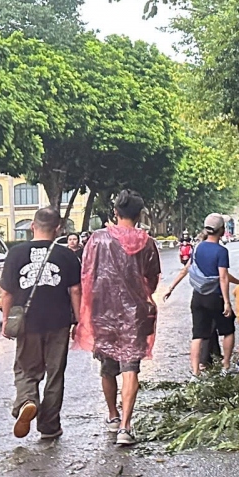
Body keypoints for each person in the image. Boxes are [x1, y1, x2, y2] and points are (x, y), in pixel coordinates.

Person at [75, 191, 161, 447]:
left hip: (103, 312)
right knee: (130, 368)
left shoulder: (96, 239)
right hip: (134, 314)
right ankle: (125, 426)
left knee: (107, 367)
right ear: (139, 214)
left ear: (115, 212)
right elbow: (152, 280)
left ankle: (112, 416)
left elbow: (86, 273)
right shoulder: (147, 243)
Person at [0, 207, 82, 441]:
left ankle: (27, 400)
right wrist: (79, 321)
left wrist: (6, 320)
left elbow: (7, 293)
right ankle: (49, 426)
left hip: (27, 322)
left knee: (26, 368)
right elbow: (75, 290)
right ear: (58, 230)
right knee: (55, 374)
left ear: (32, 226)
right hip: (58, 322)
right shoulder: (67, 255)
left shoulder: (16, 253)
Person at [164, 214, 239, 378]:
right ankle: (226, 366)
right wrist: (227, 302)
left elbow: (186, 269)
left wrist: (171, 287)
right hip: (215, 297)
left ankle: (195, 373)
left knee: (197, 335)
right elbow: (223, 277)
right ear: (222, 230)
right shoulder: (221, 251)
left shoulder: (197, 248)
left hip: (197, 297)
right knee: (228, 330)